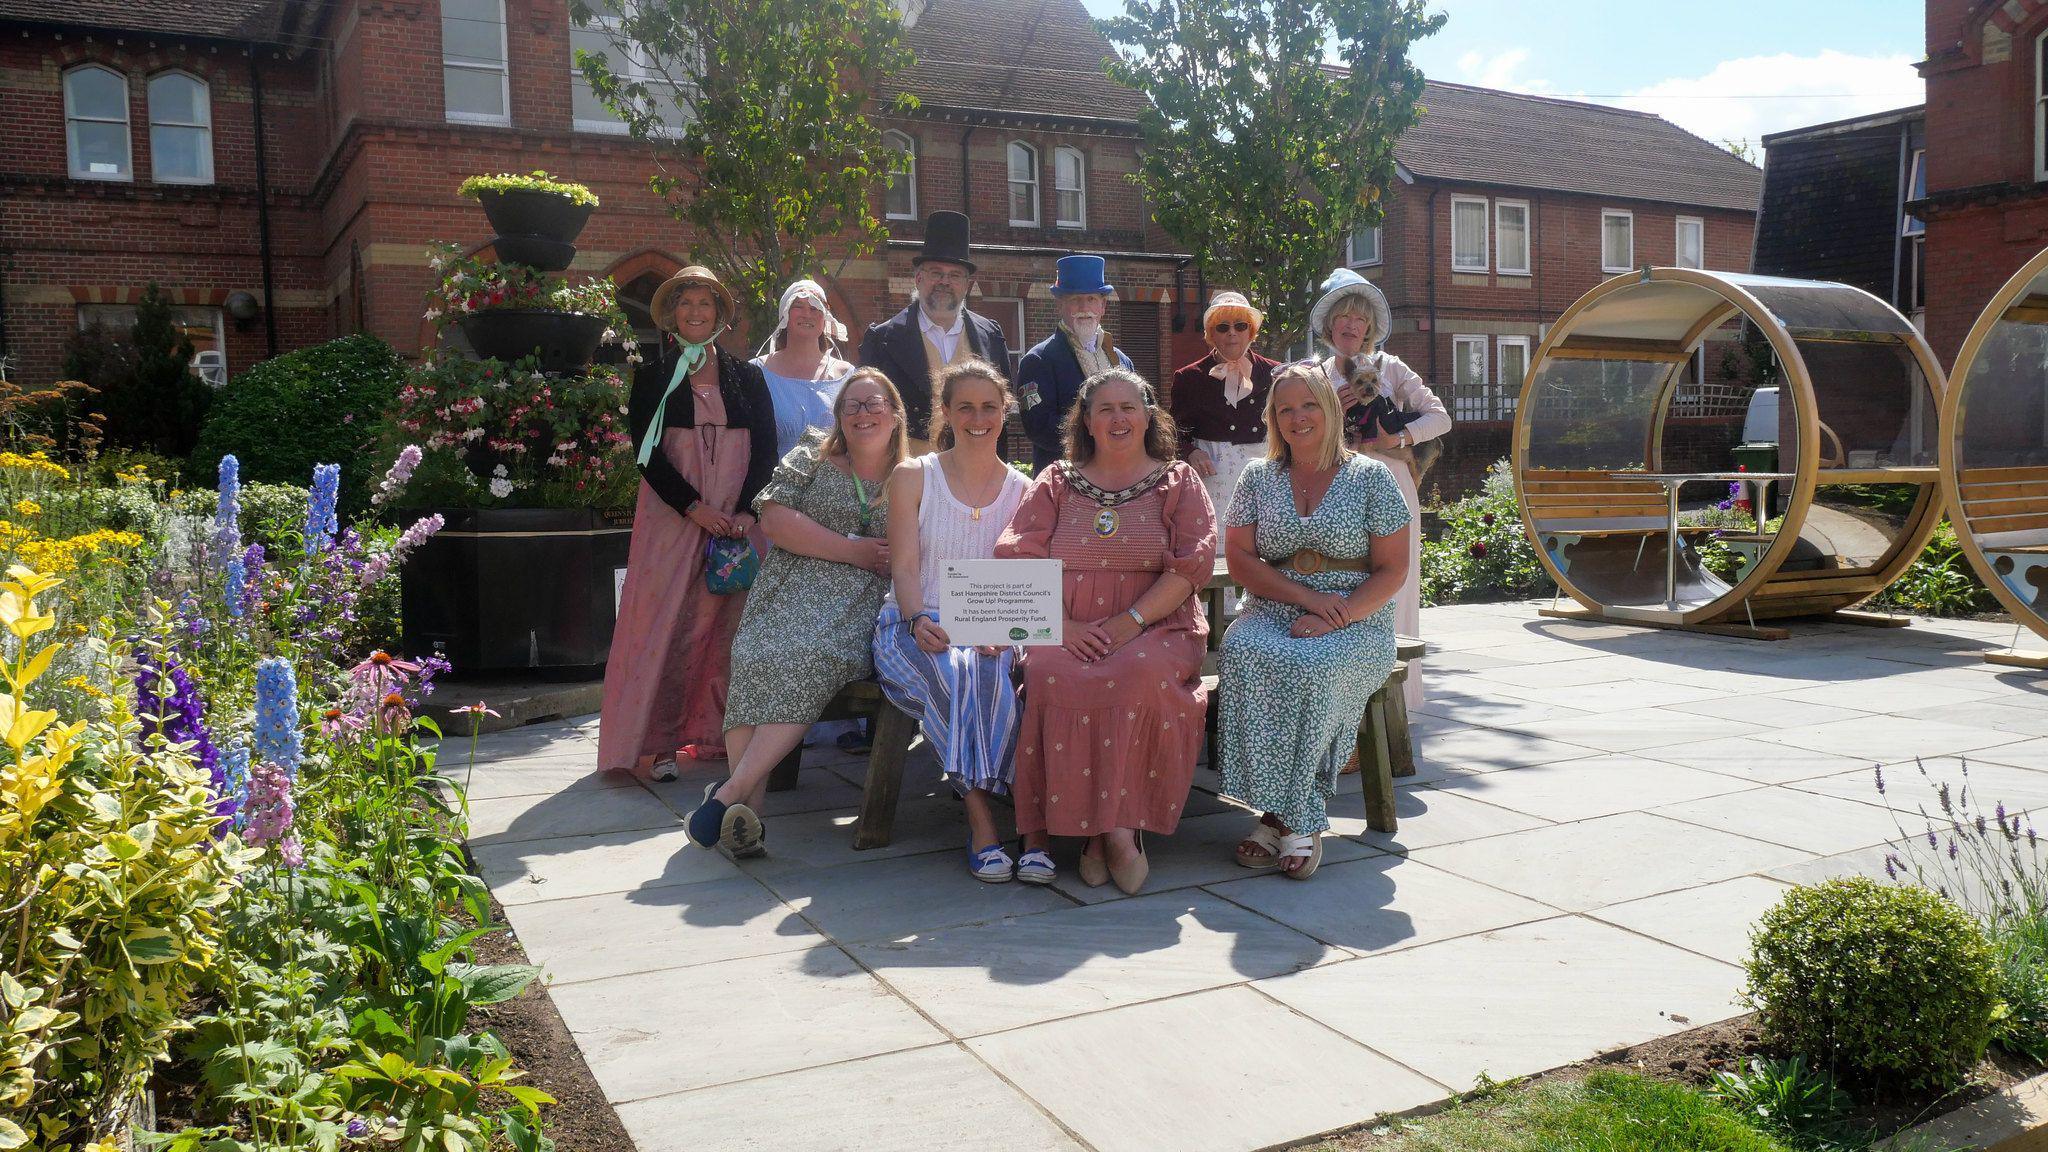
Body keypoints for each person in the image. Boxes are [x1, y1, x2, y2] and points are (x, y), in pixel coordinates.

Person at [996, 369, 1217, 895]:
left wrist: (1128, 623)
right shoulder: (1056, 480)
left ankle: (1117, 830)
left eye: (1129, 407)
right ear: (1087, 422)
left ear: (1147, 416)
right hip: (1065, 623)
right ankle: (1098, 829)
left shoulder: (1178, 480)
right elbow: (1015, 555)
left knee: (1137, 673)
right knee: (1049, 671)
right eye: (1105, 409)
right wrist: (1063, 626)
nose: (1118, 418)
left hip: (1157, 624)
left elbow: (1191, 567)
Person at [685, 368, 907, 856]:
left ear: (894, 415)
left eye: (873, 404)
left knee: (812, 654)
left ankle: (728, 796)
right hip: (788, 587)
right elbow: (777, 520)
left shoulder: (914, 475)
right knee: (756, 653)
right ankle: (747, 812)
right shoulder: (811, 454)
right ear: (839, 418)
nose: (862, 413)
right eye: (851, 406)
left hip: (860, 603)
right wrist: (856, 551)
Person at [1215, 363, 1412, 878]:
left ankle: (1288, 817)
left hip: (1356, 619)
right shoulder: (1258, 477)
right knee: (1244, 651)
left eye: (1308, 405)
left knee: (1311, 665)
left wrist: (1335, 614)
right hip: (1273, 607)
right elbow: (1239, 560)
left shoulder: (1372, 477)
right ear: (1273, 418)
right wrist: (1304, 598)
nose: (1297, 417)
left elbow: (1393, 570)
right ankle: (1287, 814)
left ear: (1328, 408)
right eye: (1285, 409)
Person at [599, 266, 776, 781]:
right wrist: (694, 507)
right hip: (674, 517)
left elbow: (765, 449)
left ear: (719, 314)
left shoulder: (749, 376)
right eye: (686, 303)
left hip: (739, 518)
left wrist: (745, 511)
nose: (696, 311)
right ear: (673, 314)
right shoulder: (653, 377)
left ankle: (717, 732)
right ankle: (653, 743)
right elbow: (646, 455)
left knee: (727, 622)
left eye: (705, 303)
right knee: (663, 620)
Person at [871, 360, 1035, 882]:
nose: (977, 417)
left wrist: (1001, 631)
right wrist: (918, 617)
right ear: (945, 411)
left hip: (989, 621)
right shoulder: (913, 475)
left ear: (1004, 412)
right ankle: (982, 820)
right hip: (912, 620)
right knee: (951, 673)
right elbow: (903, 565)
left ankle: (1030, 824)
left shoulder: (1024, 489)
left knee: (988, 672)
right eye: (964, 406)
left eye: (989, 406)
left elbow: (1024, 579)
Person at [1310, 267, 1448, 711]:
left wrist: (1398, 439)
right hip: (1334, 488)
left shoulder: (1391, 368)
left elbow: (1439, 418)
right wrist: (1333, 412)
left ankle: (1396, 705)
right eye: (1343, 317)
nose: (1351, 325)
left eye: (1360, 318)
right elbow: (1288, 432)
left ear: (1370, 328)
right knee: (1341, 582)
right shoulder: (1311, 374)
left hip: (1391, 484)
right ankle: (1342, 705)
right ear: (1330, 325)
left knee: (1396, 586)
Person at [857, 211, 1013, 453]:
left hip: (976, 475)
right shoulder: (882, 340)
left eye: (954, 275)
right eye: (936, 273)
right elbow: (866, 415)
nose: (945, 282)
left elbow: (1002, 413)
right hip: (908, 475)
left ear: (967, 284)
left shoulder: (991, 336)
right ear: (918, 278)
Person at [1016, 255, 1133, 475]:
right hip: (1066, 481)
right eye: (1075, 299)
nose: (1084, 307)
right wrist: (1101, 439)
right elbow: (1039, 427)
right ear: (1060, 305)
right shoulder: (1038, 360)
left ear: (1103, 305)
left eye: (1091, 299)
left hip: (1121, 477)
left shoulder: (1122, 361)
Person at [1170, 291, 1279, 516]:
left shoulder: (1275, 373)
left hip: (1265, 476)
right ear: (1211, 334)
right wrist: (1191, 452)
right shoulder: (1189, 377)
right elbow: (1173, 432)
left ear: (1251, 331)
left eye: (1240, 326)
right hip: (1213, 479)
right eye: (1222, 327)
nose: (1232, 333)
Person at [753, 279, 856, 458]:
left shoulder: (848, 376)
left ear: (825, 318)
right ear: (785, 314)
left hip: (833, 481)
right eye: (798, 306)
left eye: (815, 308)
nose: (807, 314)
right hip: (773, 481)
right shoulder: (757, 372)